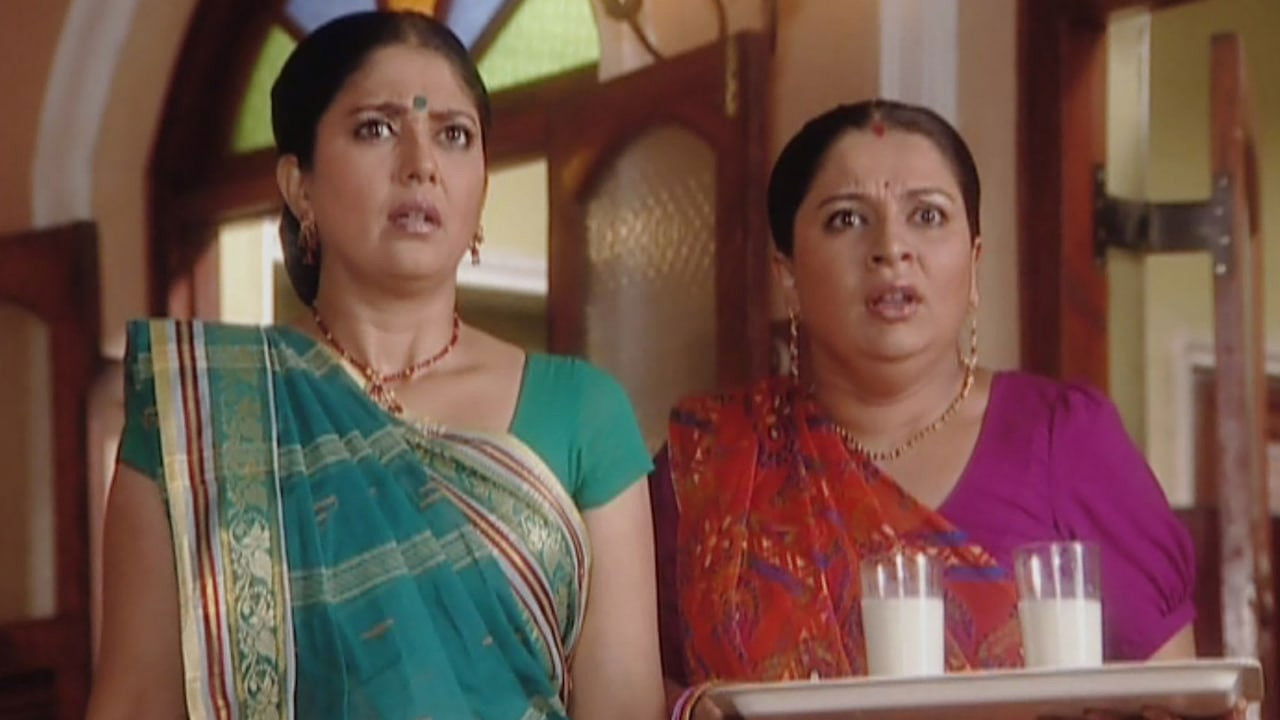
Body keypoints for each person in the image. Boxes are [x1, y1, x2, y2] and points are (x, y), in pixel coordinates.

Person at [88, 11, 664, 720]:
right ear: (300, 185)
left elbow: (624, 705)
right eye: (376, 129)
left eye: (454, 135)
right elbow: (136, 701)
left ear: (482, 186)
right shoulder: (202, 415)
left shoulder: (583, 414)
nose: (421, 164)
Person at [651, 100, 1198, 715]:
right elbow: (626, 690)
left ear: (974, 263)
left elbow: (1177, 700)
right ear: (789, 276)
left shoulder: (1067, 439)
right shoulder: (713, 462)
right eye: (847, 219)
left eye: (928, 215)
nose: (891, 248)